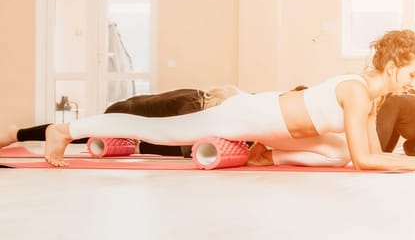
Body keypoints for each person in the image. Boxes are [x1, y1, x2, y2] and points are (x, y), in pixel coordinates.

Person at [42, 29, 415, 172]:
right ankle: (65, 130)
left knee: (336, 153)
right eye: (412, 73)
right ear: (392, 66)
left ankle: (266, 155)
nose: (414, 82)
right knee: (156, 132)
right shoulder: (356, 92)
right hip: (250, 115)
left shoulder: (369, 98)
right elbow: (368, 162)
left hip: (278, 129)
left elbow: (367, 155)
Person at [0, 86, 242, 157]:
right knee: (73, 132)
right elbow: (184, 148)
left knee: (78, 132)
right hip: (121, 113)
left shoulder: (197, 96)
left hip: (130, 115)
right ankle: (16, 133)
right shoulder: (193, 106)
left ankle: (17, 133)